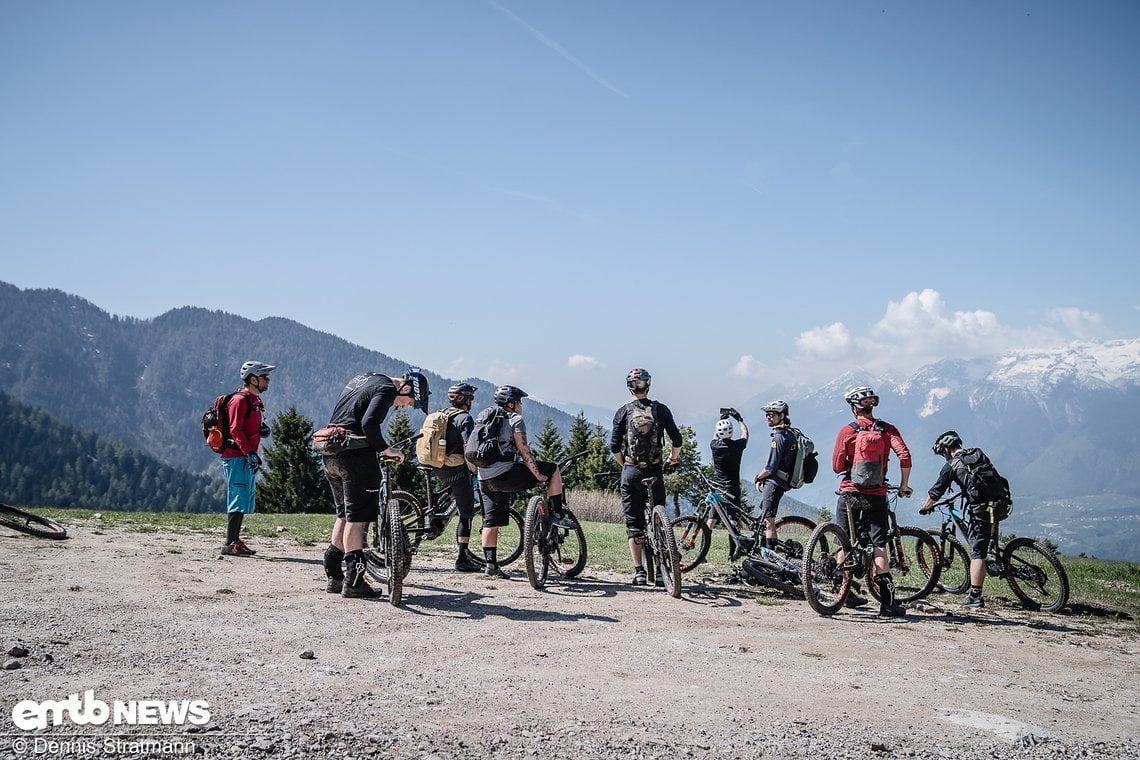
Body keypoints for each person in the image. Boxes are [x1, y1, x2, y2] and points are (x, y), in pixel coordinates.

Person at [320, 370, 430, 598]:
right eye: (411, 402)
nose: (405, 407)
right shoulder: (388, 389)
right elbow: (369, 423)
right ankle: (355, 581)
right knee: (357, 520)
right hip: (356, 458)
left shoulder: (366, 378)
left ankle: (334, 575)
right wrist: (386, 449)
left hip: (331, 452)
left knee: (343, 514)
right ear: (406, 388)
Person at [831, 385, 913, 617]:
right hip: (876, 494)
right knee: (879, 545)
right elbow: (905, 456)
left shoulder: (847, 431)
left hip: (849, 492)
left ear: (854, 408)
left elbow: (837, 466)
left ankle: (843, 593)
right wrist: (904, 485)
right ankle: (887, 604)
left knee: (843, 542)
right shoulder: (887, 430)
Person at [475, 385, 572, 579]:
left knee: (491, 522)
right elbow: (524, 450)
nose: (521, 406)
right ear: (511, 403)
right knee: (552, 468)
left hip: (484, 477)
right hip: (506, 474)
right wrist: (538, 475)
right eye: (519, 402)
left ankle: (491, 566)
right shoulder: (515, 419)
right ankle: (558, 511)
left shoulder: (484, 416)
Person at [609, 368, 683, 586]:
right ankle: (661, 571)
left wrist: (627, 465)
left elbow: (614, 447)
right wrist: (672, 460)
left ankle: (640, 572)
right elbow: (677, 440)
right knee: (659, 516)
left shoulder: (623, 412)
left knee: (634, 524)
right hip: (655, 471)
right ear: (648, 385)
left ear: (630, 387)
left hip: (631, 472)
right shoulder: (661, 410)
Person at [920, 431, 1001, 609]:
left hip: (980, 508)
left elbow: (936, 491)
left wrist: (926, 507)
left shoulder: (952, 464)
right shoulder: (976, 453)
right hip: (999, 502)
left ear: (947, 449)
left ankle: (976, 595)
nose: (944, 456)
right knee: (987, 542)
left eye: (943, 453)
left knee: (977, 552)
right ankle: (998, 560)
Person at [218, 360, 275, 558]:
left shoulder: (255, 401)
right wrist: (249, 452)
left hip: (246, 456)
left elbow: (249, 426)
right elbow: (235, 429)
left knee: (242, 499)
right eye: (264, 377)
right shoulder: (240, 400)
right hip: (236, 456)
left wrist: (262, 430)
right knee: (237, 498)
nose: (268, 380)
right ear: (253, 379)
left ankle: (234, 541)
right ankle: (229, 543)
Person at [428, 382, 482, 573]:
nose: (471, 402)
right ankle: (462, 559)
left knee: (451, 493)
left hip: (437, 467)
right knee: (466, 514)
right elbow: (469, 450)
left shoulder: (441, 414)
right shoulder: (465, 419)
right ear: (464, 399)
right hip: (456, 469)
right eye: (470, 398)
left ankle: (435, 520)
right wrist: (475, 471)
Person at [752, 400, 795, 551]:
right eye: (767, 415)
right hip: (783, 480)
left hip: (775, 482)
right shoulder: (789, 434)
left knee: (768, 520)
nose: (769, 418)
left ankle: (770, 557)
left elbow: (770, 467)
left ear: (781, 415)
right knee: (765, 519)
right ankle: (765, 552)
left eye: (772, 415)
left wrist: (758, 477)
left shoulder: (778, 438)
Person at [707, 408, 749, 557]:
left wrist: (721, 420)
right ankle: (733, 553)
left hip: (717, 488)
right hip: (732, 488)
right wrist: (739, 419)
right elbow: (745, 434)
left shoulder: (714, 446)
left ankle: (703, 552)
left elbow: (714, 436)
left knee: (711, 520)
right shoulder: (737, 446)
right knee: (733, 520)